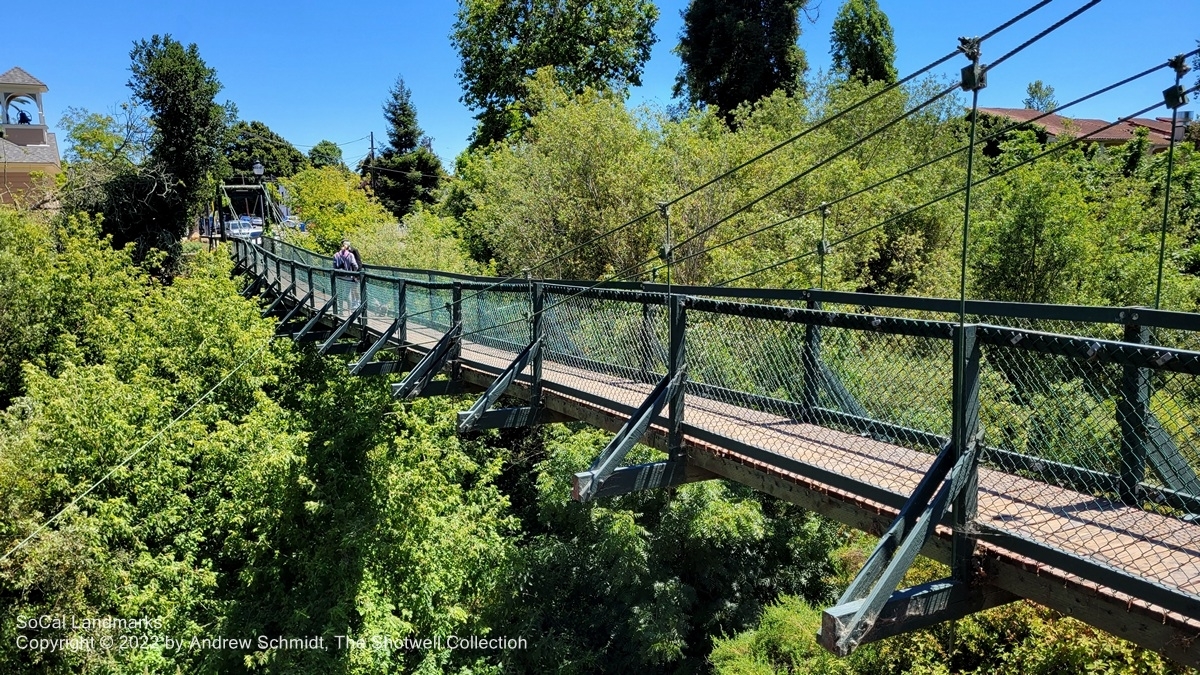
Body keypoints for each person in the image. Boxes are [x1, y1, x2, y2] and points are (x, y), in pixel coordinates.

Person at [333, 240, 361, 311]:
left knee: (339, 292)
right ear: (348, 247)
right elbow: (356, 265)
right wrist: (353, 272)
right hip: (348, 277)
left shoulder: (336, 255)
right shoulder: (350, 255)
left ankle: (340, 309)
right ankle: (349, 310)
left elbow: (334, 266)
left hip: (339, 277)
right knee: (348, 294)